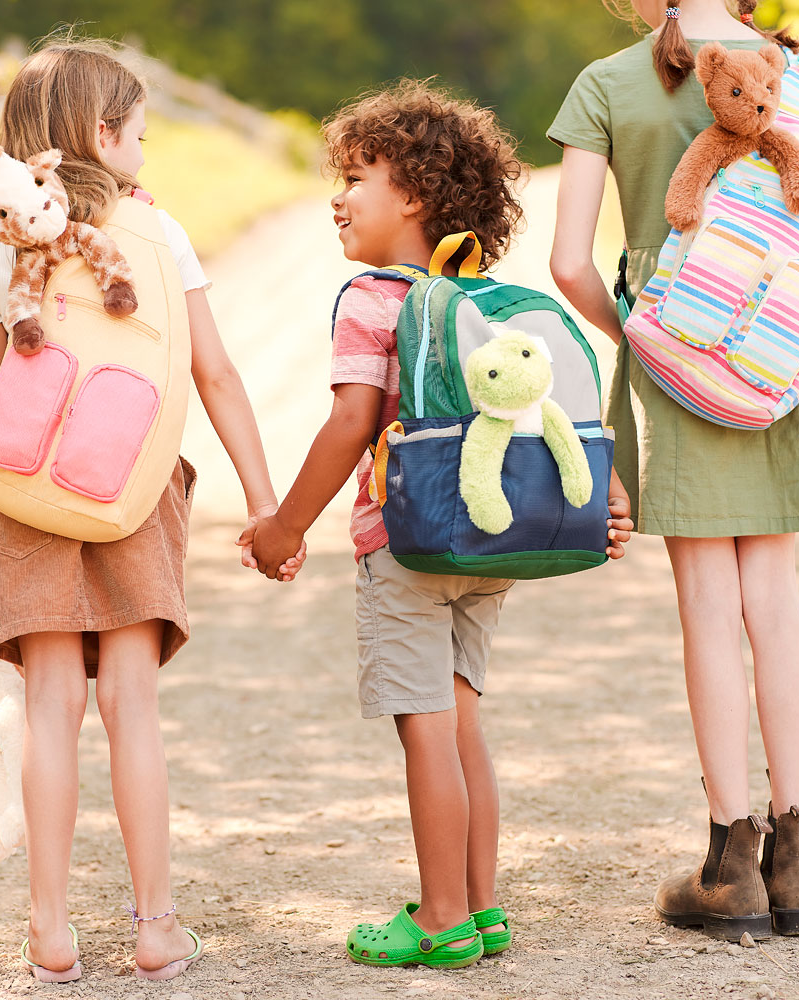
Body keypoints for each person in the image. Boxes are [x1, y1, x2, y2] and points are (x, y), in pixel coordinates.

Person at [239, 79, 634, 968]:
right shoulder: (489, 304)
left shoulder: (373, 299)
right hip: (488, 548)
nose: (338, 197)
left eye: (358, 178)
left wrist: (283, 525)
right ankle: (483, 905)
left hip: (406, 543)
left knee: (423, 726)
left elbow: (350, 423)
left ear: (413, 196)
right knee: (462, 727)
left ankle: (442, 917)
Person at [0, 37, 301, 982]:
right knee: (132, 707)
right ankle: (155, 929)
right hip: (133, 493)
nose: (145, 154)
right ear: (104, 135)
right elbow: (216, 374)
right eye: (139, 136)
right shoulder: (160, 235)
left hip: (27, 500)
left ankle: (51, 932)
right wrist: (266, 506)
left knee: (52, 704)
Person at [548, 0, 799, 939]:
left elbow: (570, 264)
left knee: (707, 606)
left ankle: (732, 866)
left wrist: (644, 339)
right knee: (777, 599)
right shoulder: (797, 75)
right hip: (783, 350)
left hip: (677, 354)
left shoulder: (608, 81)